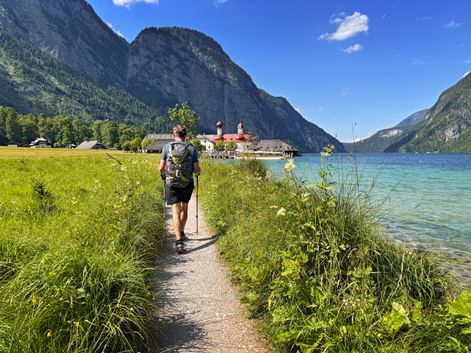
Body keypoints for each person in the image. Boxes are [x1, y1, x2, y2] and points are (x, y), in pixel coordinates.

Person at [159, 125, 200, 253]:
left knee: (175, 211)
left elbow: (161, 168)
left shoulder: (167, 148)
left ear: (173, 135)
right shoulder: (191, 149)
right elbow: (197, 170)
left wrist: (163, 176)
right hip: (187, 183)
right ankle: (181, 231)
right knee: (184, 208)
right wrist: (197, 173)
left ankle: (178, 242)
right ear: (185, 135)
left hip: (172, 184)